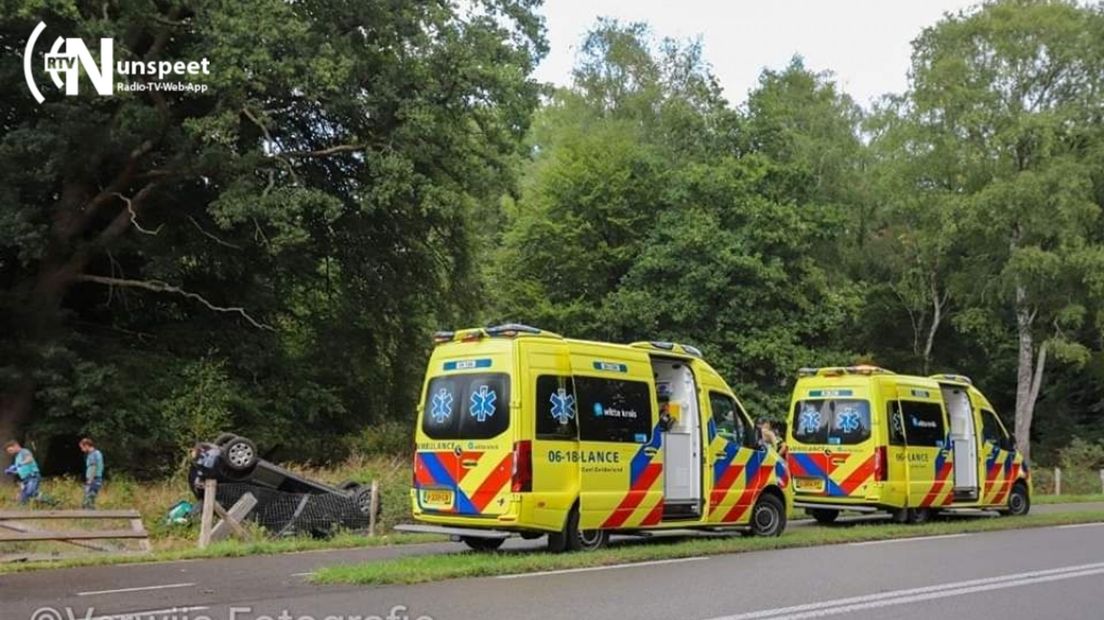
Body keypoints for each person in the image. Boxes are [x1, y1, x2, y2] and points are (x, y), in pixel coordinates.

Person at [4, 440, 48, 505]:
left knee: (29, 492)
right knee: (24, 498)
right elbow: (21, 470)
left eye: (11, 450)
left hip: (32, 476)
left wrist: (19, 464)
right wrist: (12, 472)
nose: (11, 453)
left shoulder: (24, 451)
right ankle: (45, 500)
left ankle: (42, 497)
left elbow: (29, 459)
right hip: (25, 479)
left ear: (16, 446)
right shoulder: (17, 457)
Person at [79, 437, 104, 509]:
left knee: (88, 503)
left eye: (82, 447)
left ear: (86, 445)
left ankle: (89, 518)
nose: (82, 450)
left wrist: (90, 480)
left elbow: (93, 467)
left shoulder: (93, 454)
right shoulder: (96, 453)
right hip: (95, 479)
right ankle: (89, 518)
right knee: (90, 501)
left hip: (93, 480)